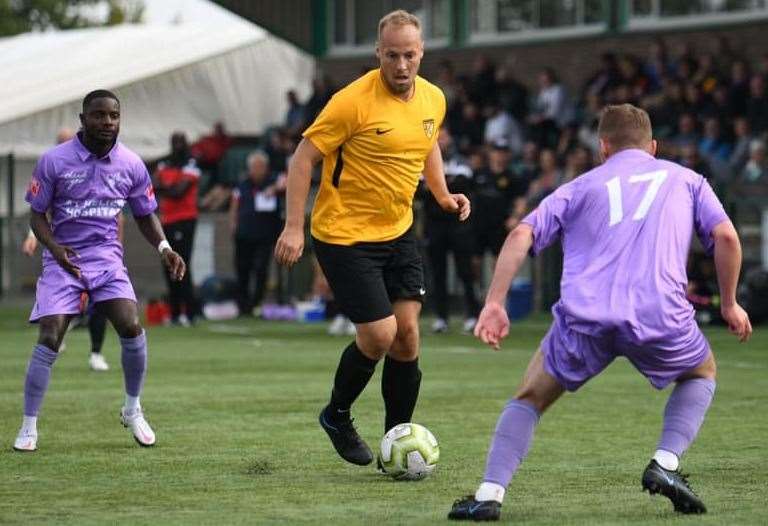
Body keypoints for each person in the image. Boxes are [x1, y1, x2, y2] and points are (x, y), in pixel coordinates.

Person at [448, 104, 751, 521]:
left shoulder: (580, 186)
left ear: (603, 148)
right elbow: (726, 237)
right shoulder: (687, 180)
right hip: (659, 313)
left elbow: (521, 233)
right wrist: (730, 302)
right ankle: (665, 463)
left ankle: (489, 494)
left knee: (530, 398)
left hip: (585, 318)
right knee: (701, 373)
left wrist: (495, 301)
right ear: (654, 147)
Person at [274, 9, 470, 467]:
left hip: (398, 231)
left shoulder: (433, 98)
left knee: (407, 339)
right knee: (380, 334)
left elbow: (428, 145)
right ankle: (336, 414)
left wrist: (441, 195)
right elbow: (304, 158)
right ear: (378, 54)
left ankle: (394, 443)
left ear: (422, 54)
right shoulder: (351, 102)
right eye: (392, 56)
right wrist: (292, 226)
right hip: (343, 235)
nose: (401, 66)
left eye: (410, 56)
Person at [13, 89, 186, 452]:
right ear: (83, 119)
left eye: (114, 116)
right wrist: (55, 248)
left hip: (107, 259)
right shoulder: (54, 161)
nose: (107, 122)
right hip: (64, 260)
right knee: (50, 335)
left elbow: (144, 213)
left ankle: (132, 408)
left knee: (131, 325)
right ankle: (29, 425)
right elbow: (36, 214)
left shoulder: (131, 164)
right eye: (99, 115)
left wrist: (165, 248)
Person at [21, 127, 113, 371]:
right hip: (60, 250)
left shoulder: (97, 165)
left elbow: (111, 209)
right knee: (60, 301)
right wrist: (32, 236)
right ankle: (57, 334)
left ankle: (96, 353)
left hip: (96, 250)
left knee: (100, 302)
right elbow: (41, 209)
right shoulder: (52, 166)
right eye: (61, 140)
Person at [423, 127, 480, 334]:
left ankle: (473, 315)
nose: (440, 141)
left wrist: (437, 186)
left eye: (443, 137)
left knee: (465, 272)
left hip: (459, 225)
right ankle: (441, 317)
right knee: (437, 274)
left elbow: (465, 184)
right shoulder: (423, 161)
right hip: (435, 226)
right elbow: (419, 191)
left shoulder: (461, 162)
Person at [228, 151, 285, 316]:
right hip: (244, 233)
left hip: (265, 234)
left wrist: (273, 189)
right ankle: (242, 305)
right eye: (254, 167)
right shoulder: (243, 184)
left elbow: (287, 181)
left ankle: (256, 302)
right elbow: (234, 203)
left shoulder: (274, 179)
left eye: (260, 166)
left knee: (261, 269)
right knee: (242, 269)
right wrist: (233, 223)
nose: (257, 170)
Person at [153, 131, 200, 326]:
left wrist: (166, 187)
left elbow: (178, 192)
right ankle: (174, 314)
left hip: (185, 219)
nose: (178, 146)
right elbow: (154, 186)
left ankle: (190, 313)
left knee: (183, 263)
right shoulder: (164, 164)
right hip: (167, 220)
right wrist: (168, 188)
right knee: (167, 265)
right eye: (175, 142)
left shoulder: (191, 165)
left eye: (181, 142)